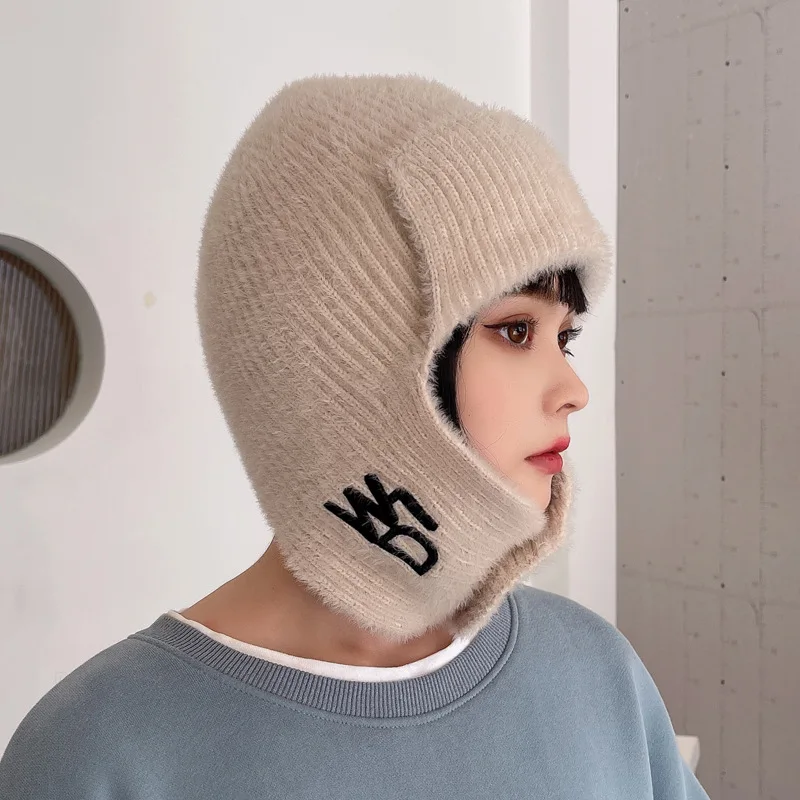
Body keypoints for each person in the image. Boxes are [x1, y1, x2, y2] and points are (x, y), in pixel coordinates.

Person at [0, 74, 710, 799]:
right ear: (354, 363)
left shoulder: (597, 677)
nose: (573, 389)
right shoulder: (94, 754)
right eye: (516, 330)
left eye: (567, 337)